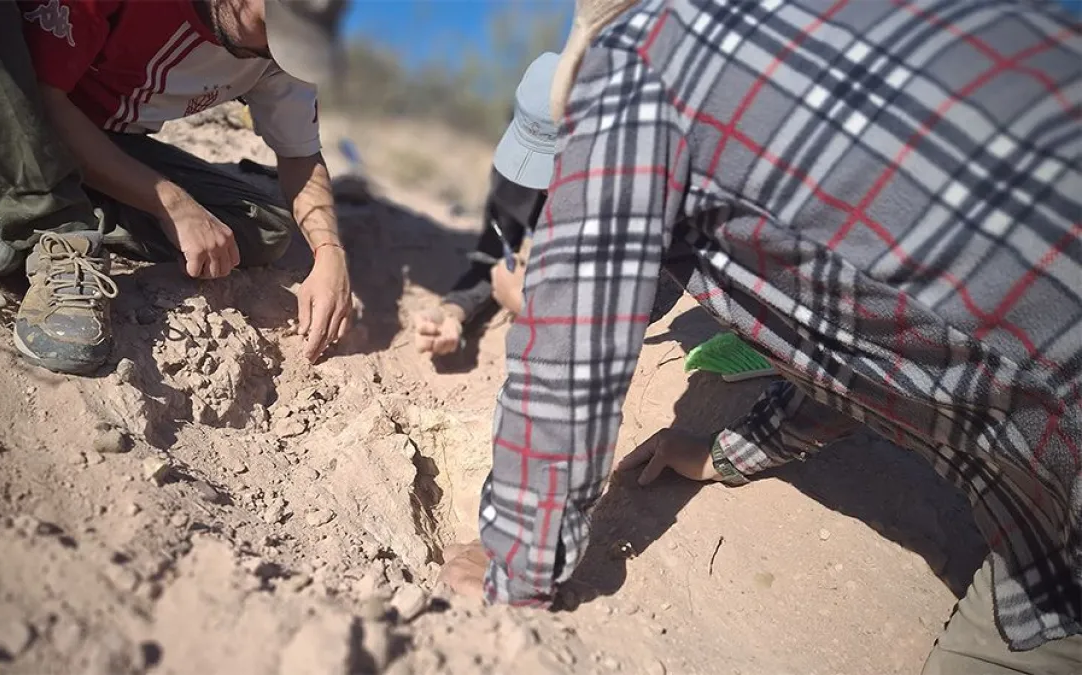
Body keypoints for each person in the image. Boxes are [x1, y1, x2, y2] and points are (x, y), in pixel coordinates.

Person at [439, 0, 1082, 672]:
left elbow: (571, 355)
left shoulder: (632, 71)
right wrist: (730, 453)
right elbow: (870, 319)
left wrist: (511, 564)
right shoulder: (814, 41)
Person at [0, 0, 351, 375]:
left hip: (76, 135)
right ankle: (56, 229)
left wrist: (330, 253)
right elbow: (43, 100)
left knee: (260, 228)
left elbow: (300, 155)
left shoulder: (284, 51)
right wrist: (169, 201)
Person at [414, 53, 558, 357]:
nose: (540, 185)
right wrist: (453, 311)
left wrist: (525, 305)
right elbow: (493, 260)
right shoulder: (513, 180)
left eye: (555, 163)